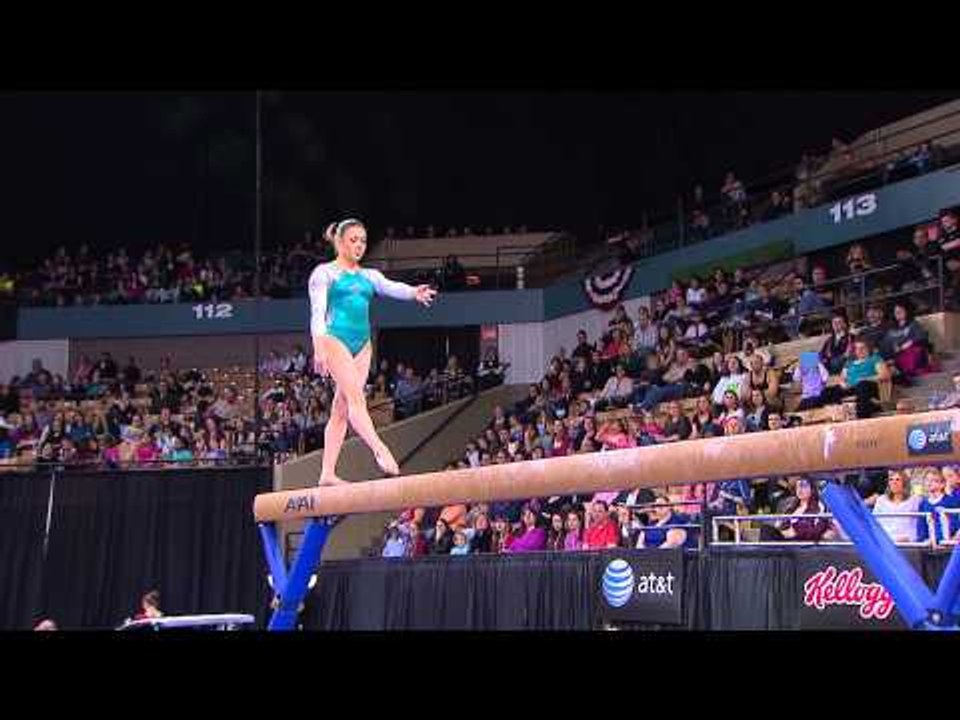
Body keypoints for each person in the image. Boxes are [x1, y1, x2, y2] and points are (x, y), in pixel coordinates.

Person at [309, 219, 437, 485]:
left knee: (341, 408)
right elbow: (318, 313)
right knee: (357, 401)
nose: (359, 245)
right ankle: (381, 449)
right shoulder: (324, 273)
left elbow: (391, 287)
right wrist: (319, 345)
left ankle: (327, 473)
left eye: (363, 241)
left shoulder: (369, 276)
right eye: (353, 240)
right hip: (335, 339)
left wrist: (414, 292)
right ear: (341, 242)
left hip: (363, 344)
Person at [873, 470, 921, 544]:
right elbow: (875, 523)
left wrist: (909, 538)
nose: (894, 482)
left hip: (907, 541)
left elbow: (917, 524)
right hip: (886, 541)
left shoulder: (915, 500)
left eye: (898, 480)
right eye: (891, 480)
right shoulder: (881, 500)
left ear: (904, 483)